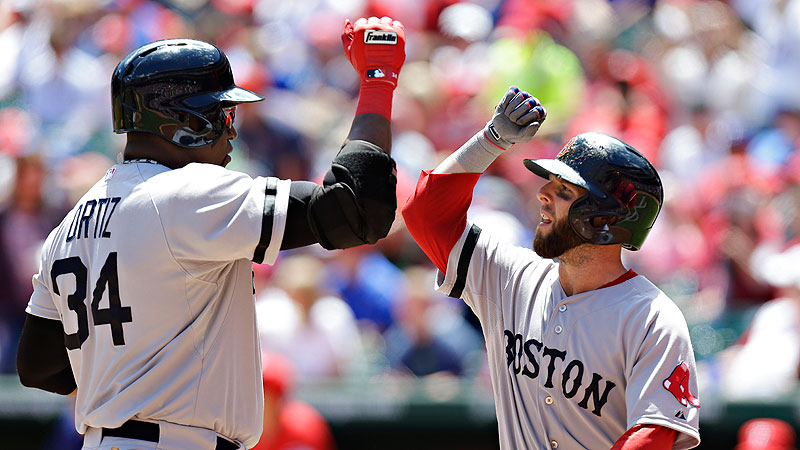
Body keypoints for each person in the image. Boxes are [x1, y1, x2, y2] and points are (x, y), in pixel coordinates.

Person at [16, 16, 405, 450]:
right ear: (184, 120)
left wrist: (129, 383)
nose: (231, 129)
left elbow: (40, 366)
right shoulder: (187, 193)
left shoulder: (72, 222)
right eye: (222, 112)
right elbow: (355, 210)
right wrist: (378, 81)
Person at [402, 87, 701, 449]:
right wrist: (491, 140)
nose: (543, 193)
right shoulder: (510, 276)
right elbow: (424, 214)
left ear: (603, 219)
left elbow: (653, 436)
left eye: (564, 190)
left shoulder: (652, 319)